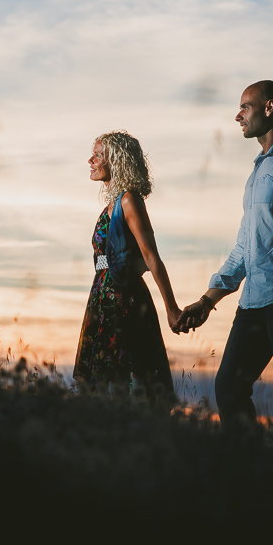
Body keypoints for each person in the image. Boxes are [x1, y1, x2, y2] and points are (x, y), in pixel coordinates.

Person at [174, 81, 273, 432]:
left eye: (245, 106)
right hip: (252, 303)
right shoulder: (258, 172)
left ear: (269, 107)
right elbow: (246, 248)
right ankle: (249, 470)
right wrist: (207, 300)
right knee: (229, 389)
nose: (238, 116)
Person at [74, 131, 180, 402]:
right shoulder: (111, 203)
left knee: (124, 381)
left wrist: (171, 308)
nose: (90, 160)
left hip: (124, 300)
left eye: (98, 155)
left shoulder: (128, 200)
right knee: (102, 387)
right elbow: (104, 261)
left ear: (117, 160)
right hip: (102, 296)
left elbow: (151, 256)